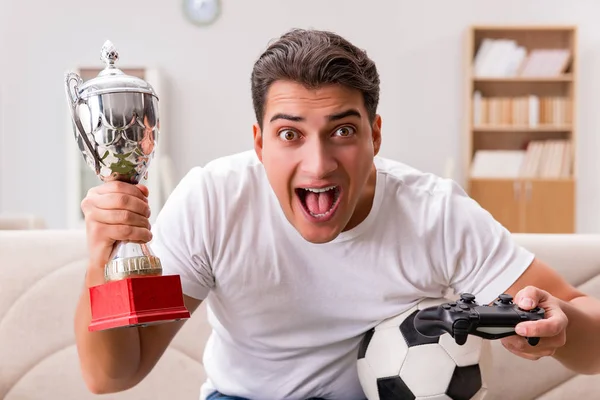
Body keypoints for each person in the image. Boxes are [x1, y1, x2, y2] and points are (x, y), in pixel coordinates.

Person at [74, 29, 600, 400]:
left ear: (375, 135)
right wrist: (101, 256)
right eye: (289, 134)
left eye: (343, 131)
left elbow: (587, 336)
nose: (318, 163)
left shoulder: (435, 214)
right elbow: (117, 373)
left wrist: (560, 322)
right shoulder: (213, 204)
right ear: (259, 143)